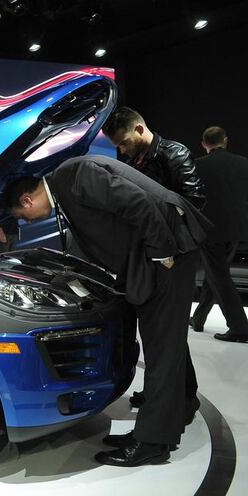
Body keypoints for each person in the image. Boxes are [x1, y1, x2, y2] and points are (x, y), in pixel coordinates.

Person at [5, 155, 210, 467]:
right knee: (167, 338)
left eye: (23, 216)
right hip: (161, 250)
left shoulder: (74, 175)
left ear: (27, 199)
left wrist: (162, 255)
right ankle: (181, 402)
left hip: (170, 250)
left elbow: (139, 204)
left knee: (162, 346)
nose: (27, 222)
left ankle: (153, 442)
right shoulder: (66, 183)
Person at [102, 106, 203, 417]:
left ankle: (184, 398)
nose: (121, 150)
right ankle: (168, 393)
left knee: (170, 334)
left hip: (174, 254)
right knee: (159, 334)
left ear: (140, 130)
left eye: (124, 143)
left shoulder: (173, 154)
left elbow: (193, 201)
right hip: (150, 255)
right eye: (118, 146)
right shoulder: (135, 160)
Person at [189, 127, 248, 343]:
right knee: (216, 274)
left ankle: (240, 327)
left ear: (204, 144)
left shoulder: (196, 166)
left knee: (219, 276)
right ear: (225, 140)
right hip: (238, 229)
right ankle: (198, 318)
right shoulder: (243, 163)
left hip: (210, 229)